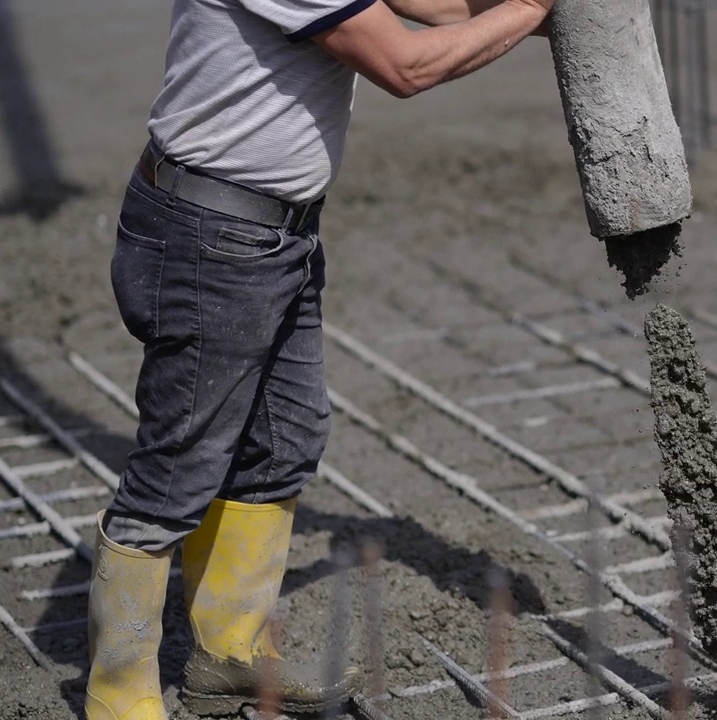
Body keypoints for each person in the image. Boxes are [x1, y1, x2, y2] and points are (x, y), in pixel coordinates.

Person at [86, 0, 555, 717]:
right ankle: (117, 695)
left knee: (285, 440)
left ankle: (227, 655)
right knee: (177, 467)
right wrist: (529, 9)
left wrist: (514, 8)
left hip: (275, 233)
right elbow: (405, 64)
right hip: (212, 240)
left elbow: (413, 1)